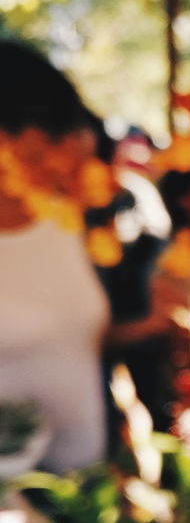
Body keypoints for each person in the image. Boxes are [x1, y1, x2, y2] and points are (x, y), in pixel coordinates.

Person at [0, 40, 111, 474]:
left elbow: (70, 334)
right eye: (39, 155)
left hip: (86, 484)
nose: (57, 172)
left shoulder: (65, 220)